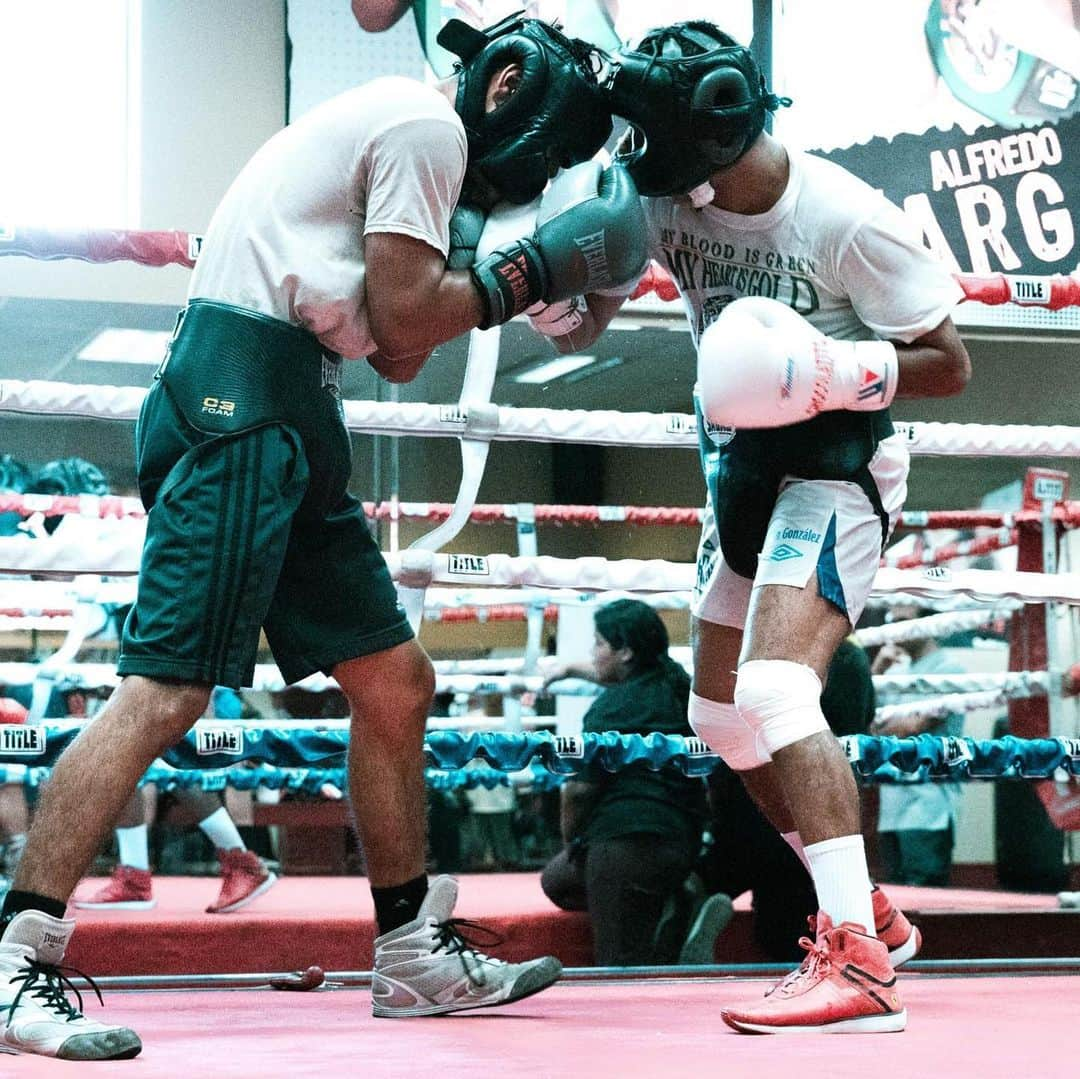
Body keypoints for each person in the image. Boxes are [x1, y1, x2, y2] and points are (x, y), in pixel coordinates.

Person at [0, 12, 648, 1060]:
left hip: (291, 403)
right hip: (238, 401)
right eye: (550, 151)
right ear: (511, 98)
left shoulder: (410, 149)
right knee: (165, 688)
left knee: (396, 681)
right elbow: (404, 320)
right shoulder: (421, 127)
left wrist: (501, 270)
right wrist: (531, 271)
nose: (534, 180)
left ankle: (410, 953)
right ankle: (15, 955)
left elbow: (393, 353)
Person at [518, 20, 970, 1032]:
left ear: (715, 125)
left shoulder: (848, 218)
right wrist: (552, 295)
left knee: (775, 685)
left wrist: (836, 371)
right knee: (720, 720)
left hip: (841, 465)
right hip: (739, 469)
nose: (640, 161)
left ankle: (858, 965)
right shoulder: (658, 195)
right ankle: (874, 912)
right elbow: (592, 310)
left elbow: (949, 358)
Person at [538, 600, 707, 965]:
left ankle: (670, 940)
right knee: (557, 880)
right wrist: (568, 668)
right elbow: (618, 672)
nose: (592, 653)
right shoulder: (678, 686)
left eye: (598, 643)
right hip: (683, 842)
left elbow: (578, 791)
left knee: (618, 965)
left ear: (626, 651)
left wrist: (574, 842)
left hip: (622, 849)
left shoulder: (607, 710)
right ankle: (669, 901)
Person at [74, 687, 278, 914]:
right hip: (159, 673)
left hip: (169, 674)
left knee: (148, 751)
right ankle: (135, 874)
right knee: (126, 754)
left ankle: (241, 863)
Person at [871, 605, 965, 886]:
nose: (895, 629)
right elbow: (863, 725)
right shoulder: (893, 676)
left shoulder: (949, 671)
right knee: (893, 911)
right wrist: (876, 670)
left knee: (926, 906)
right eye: (891, 621)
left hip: (929, 810)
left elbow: (913, 727)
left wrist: (882, 731)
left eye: (903, 621)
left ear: (928, 625)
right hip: (892, 810)